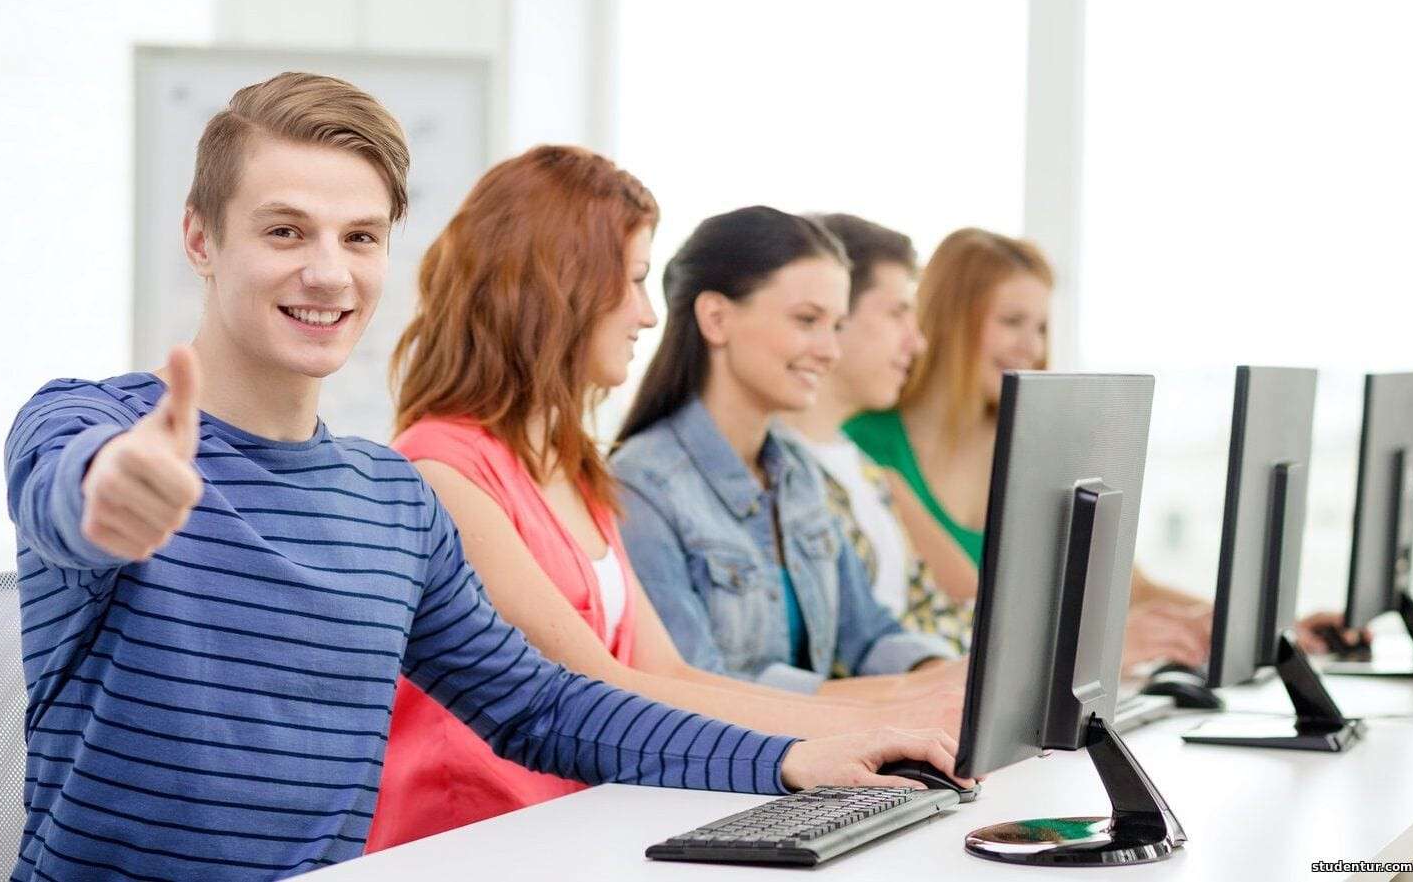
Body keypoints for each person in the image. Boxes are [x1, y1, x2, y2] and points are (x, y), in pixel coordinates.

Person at [2, 75, 962, 882]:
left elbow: (539, 705)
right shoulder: (90, 423)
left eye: (362, 237)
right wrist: (115, 495)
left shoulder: (390, 499)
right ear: (202, 240)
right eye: (286, 231)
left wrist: (795, 756)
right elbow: (69, 499)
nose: (330, 273)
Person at [366, 147, 965, 851]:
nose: (648, 315)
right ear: (556, 288)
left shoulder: (571, 465)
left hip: (591, 823)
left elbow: (665, 672)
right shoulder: (440, 467)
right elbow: (593, 689)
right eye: (634, 281)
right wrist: (854, 725)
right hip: (479, 839)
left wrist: (893, 717)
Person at [844, 226, 1362, 668]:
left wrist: (1274, 629)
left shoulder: (1037, 447)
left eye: (1042, 327)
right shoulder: (862, 445)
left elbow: (1128, 589)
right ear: (950, 321)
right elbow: (977, 608)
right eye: (1011, 322)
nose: (1033, 347)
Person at [611, 206, 967, 700]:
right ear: (716, 318)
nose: (829, 350)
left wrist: (949, 675)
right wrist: (891, 697)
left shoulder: (798, 471)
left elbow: (868, 634)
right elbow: (700, 688)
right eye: (807, 320)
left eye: (836, 325)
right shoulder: (642, 484)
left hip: (815, 762)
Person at [780, 214, 975, 654]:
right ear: (835, 312)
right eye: (897, 313)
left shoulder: (866, 470)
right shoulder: (774, 468)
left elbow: (947, 612)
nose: (917, 343)